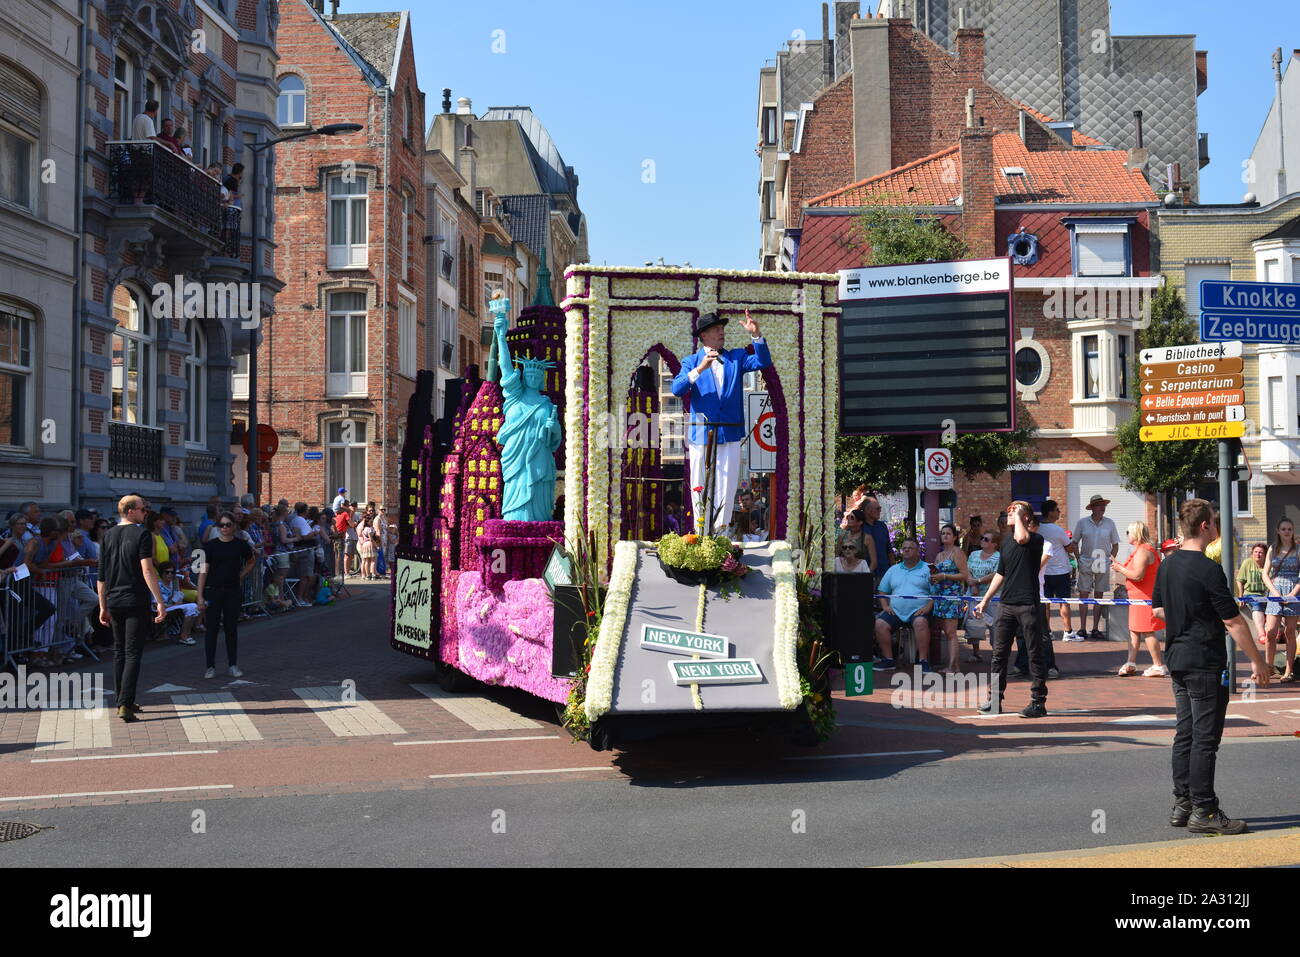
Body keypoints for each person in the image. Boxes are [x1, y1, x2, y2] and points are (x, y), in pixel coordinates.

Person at [1151, 499, 1270, 835]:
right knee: (1205, 739)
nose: (1215, 527)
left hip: (1177, 659)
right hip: (1204, 661)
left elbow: (1158, 611)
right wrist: (1258, 662)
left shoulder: (1168, 565)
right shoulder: (1207, 568)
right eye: (1214, 522)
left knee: (1185, 734)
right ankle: (1203, 809)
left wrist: (1185, 615)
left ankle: (1183, 803)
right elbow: (1232, 621)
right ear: (1205, 526)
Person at [671, 310, 771, 533]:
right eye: (717, 329)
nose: (721, 332)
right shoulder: (691, 361)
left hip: (730, 432)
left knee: (727, 484)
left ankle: (721, 532)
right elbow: (677, 389)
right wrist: (699, 369)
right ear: (704, 335)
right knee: (699, 484)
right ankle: (700, 533)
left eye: (722, 328)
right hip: (701, 433)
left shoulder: (736, 357)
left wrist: (756, 336)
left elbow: (763, 361)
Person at [974, 501, 1049, 718]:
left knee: (1034, 653)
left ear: (1025, 518)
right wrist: (985, 600)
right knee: (999, 654)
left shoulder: (1035, 539)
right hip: (1006, 605)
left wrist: (1019, 513)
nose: (1009, 512)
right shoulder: (1006, 543)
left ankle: (1038, 702)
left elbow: (1022, 538)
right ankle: (995, 700)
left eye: (1014, 511)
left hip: (1028, 604)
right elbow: (1001, 574)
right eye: (1009, 510)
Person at [97, 495, 168, 722]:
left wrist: (102, 605)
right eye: (142, 509)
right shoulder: (142, 534)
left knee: (119, 652)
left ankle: (123, 699)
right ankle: (125, 703)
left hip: (114, 599)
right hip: (135, 598)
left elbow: (101, 576)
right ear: (130, 511)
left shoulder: (107, 535)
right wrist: (159, 600)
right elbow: (147, 569)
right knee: (132, 652)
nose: (145, 512)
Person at [196, 512, 255, 678]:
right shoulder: (210, 546)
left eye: (228, 524)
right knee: (211, 630)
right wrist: (199, 595)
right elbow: (202, 571)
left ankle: (233, 664)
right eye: (221, 525)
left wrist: (241, 575)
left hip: (232, 590)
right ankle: (210, 666)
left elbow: (251, 561)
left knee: (231, 629)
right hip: (213, 590)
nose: (224, 528)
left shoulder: (241, 545)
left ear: (234, 526)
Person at [1112, 521, 1166, 677]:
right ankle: (1131, 662)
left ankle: (1158, 665)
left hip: (1145, 597)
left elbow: (1137, 575)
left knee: (1147, 631)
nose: (1127, 535)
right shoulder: (1141, 550)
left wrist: (1119, 568)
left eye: (1128, 532)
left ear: (1136, 533)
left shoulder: (1143, 551)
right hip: (1137, 597)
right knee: (1134, 631)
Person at [873, 538, 934, 673]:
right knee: (879, 624)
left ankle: (923, 661)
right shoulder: (893, 569)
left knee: (921, 623)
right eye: (904, 548)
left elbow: (936, 592)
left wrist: (928, 607)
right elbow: (882, 590)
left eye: (910, 548)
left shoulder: (928, 569)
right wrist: (885, 606)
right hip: (896, 611)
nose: (906, 550)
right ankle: (889, 660)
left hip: (919, 611)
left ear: (918, 551)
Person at [1072, 494, 1121, 640]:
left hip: (1102, 561)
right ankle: (1082, 628)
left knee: (1099, 596)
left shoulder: (1110, 523)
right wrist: (1079, 559)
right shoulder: (1082, 523)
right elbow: (1074, 542)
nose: (1103, 507)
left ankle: (1094, 628)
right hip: (1086, 560)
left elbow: (1115, 544)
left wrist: (1110, 560)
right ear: (1092, 507)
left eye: (1104, 505)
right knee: (1084, 595)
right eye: (1100, 505)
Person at [1260, 518, 1299, 683]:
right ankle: (1269, 668)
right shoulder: (1272, 549)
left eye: (1289, 529)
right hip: (1275, 591)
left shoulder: (1298, 550)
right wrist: (1274, 592)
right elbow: (1265, 573)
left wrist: (1292, 593)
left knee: (1290, 632)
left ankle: (1289, 671)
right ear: (1278, 531)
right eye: (1283, 529)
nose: (1287, 532)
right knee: (1270, 632)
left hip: (1293, 591)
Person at [930, 523, 970, 673]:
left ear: (954, 537)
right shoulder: (939, 555)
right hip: (941, 596)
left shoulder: (957, 552)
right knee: (946, 632)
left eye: (948, 533)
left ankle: (953, 667)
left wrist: (945, 575)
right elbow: (936, 574)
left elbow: (965, 575)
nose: (944, 535)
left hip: (953, 596)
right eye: (942, 533)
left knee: (951, 632)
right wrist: (933, 578)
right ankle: (953, 665)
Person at [1037, 500, 1077, 640]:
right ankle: (1068, 632)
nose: (1059, 512)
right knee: (1064, 602)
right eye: (1057, 510)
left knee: (1045, 603)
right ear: (1050, 512)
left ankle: (1047, 632)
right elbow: (1069, 547)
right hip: (1061, 572)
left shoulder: (1037, 529)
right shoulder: (1058, 530)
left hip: (1044, 572)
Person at [964, 529, 1001, 662]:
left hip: (993, 595)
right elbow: (967, 570)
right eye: (982, 538)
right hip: (974, 594)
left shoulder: (999, 557)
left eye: (986, 539)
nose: (982, 540)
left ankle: (996, 653)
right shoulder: (973, 554)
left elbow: (996, 574)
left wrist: (978, 581)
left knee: (995, 625)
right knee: (973, 624)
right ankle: (975, 652)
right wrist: (973, 585)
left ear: (994, 544)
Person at [1236, 542, 1269, 654]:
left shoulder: (1268, 564)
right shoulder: (1247, 563)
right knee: (1257, 604)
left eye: (1261, 552)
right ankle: (1261, 634)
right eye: (1255, 552)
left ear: (1265, 555)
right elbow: (1239, 580)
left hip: (1266, 594)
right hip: (1251, 594)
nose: (1258, 554)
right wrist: (1241, 596)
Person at [156, 564, 200, 645]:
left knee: (193, 607)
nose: (170, 574)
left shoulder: (172, 584)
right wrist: (175, 605)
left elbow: (177, 596)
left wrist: (176, 602)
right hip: (161, 609)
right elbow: (156, 604)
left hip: (171, 606)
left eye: (172, 572)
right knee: (192, 606)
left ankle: (187, 634)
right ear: (162, 574)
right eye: (167, 572)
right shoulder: (158, 585)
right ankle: (183, 636)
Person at [860, 496, 893, 581]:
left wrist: (893, 570)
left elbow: (889, 550)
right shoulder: (859, 527)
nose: (880, 511)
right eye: (877, 509)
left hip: (884, 573)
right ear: (867, 510)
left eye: (880, 508)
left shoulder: (882, 526)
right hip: (865, 574)